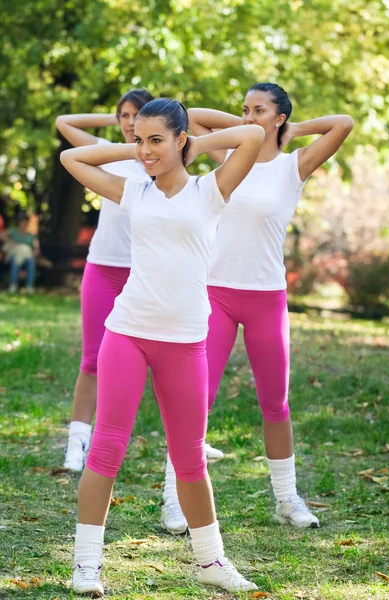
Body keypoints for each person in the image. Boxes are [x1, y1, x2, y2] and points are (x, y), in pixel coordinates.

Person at [60, 98, 265, 596]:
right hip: (128, 332)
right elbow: (72, 159)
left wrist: (190, 147)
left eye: (157, 139)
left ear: (180, 139)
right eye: (139, 140)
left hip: (185, 341)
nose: (145, 150)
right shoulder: (134, 191)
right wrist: (140, 150)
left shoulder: (210, 190)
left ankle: (210, 562)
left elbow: (253, 138)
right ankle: (86, 565)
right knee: (107, 448)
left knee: (189, 457)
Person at [162, 83, 354, 533]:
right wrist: (248, 126)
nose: (248, 116)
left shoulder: (294, 166)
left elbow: (342, 124)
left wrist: (287, 133)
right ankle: (173, 498)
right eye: (243, 109)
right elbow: (189, 116)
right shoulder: (231, 158)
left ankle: (287, 499)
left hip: (266, 297)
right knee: (195, 400)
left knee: (275, 402)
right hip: (215, 295)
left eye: (259, 110)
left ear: (281, 117)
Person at [56, 89, 154, 471]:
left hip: (143, 274)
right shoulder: (108, 151)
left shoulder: (160, 158)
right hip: (102, 268)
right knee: (93, 359)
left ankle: (119, 439)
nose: (130, 122)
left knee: (150, 362)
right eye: (125, 115)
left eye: (138, 115)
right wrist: (113, 123)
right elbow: (65, 125)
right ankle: (76, 443)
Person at [4, 214, 39, 294]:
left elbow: (36, 248)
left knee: (30, 260)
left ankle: (26, 286)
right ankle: (17, 285)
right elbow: (1, 235)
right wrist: (12, 242)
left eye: (26, 222)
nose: (24, 224)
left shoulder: (31, 236)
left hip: (26, 257)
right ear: (19, 223)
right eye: (22, 222)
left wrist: (35, 252)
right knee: (21, 250)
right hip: (12, 254)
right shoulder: (13, 231)